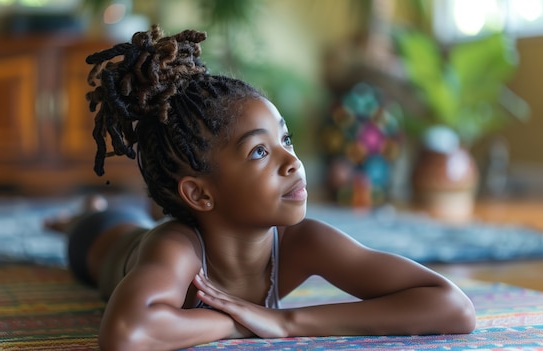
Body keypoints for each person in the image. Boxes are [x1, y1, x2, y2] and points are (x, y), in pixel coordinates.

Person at [48, 25, 476, 351]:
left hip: (184, 221)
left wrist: (288, 323)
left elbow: (453, 307)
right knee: (109, 225)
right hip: (105, 243)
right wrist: (241, 321)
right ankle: (82, 213)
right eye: (258, 152)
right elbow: (126, 333)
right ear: (199, 194)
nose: (292, 161)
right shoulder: (175, 249)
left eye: (285, 140)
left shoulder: (303, 241)